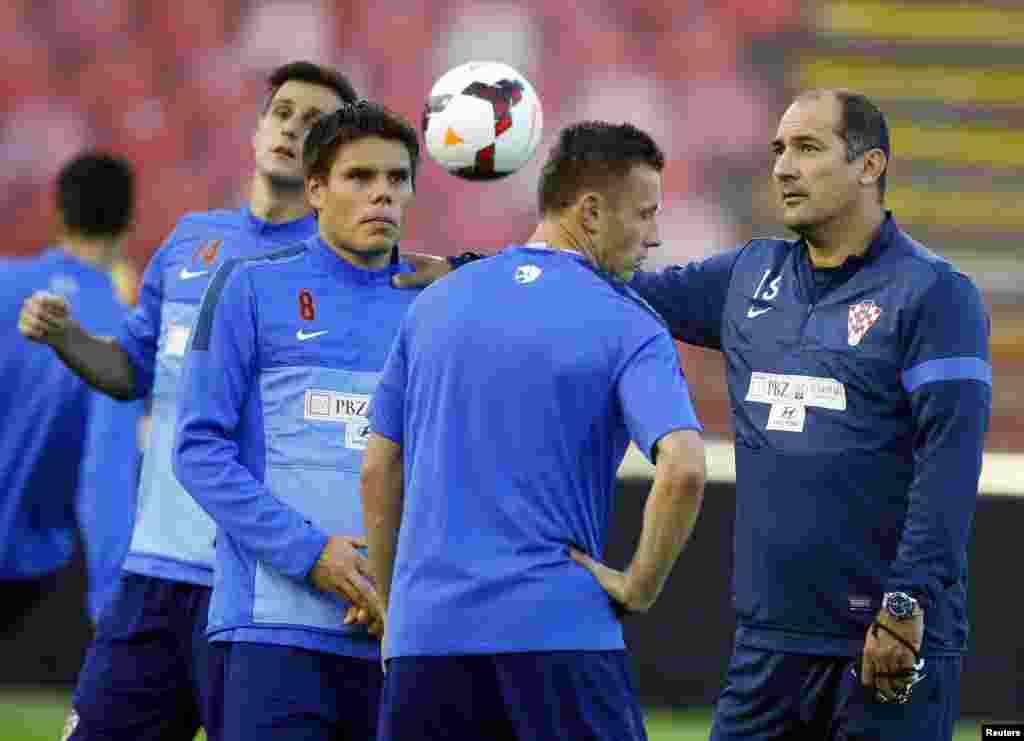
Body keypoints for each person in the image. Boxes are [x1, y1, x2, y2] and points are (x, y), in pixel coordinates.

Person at [631, 89, 990, 739]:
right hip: (768, 647)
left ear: (870, 165)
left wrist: (904, 605)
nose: (783, 168)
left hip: (886, 641)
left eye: (807, 148)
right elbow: (619, 295)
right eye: (778, 150)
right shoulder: (748, 275)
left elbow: (950, 466)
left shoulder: (936, 294)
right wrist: (478, 275)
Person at [19, 61, 357, 741]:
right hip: (152, 581)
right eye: (282, 112)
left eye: (314, 122)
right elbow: (131, 370)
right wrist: (66, 337)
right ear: (258, 130)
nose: (292, 128)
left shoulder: (346, 269)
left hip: (265, 597)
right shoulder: (189, 243)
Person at [362, 121, 708, 741]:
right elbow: (683, 468)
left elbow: (378, 467)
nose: (655, 236)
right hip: (559, 636)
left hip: (427, 643)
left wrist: (396, 616)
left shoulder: (434, 304)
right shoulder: (628, 322)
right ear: (591, 212)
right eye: (645, 213)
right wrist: (639, 586)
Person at [173, 101, 421, 741]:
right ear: (315, 189)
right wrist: (312, 555)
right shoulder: (249, 287)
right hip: (271, 631)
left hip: (401, 636)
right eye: (360, 177)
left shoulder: (436, 303)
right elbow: (198, 450)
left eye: (397, 178)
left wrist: (397, 583)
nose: (382, 194)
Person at [4, 152, 135, 632]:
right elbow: (106, 475)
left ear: (57, 212)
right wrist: (109, 601)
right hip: (31, 568)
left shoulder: (4, 283)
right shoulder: (121, 331)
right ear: (128, 223)